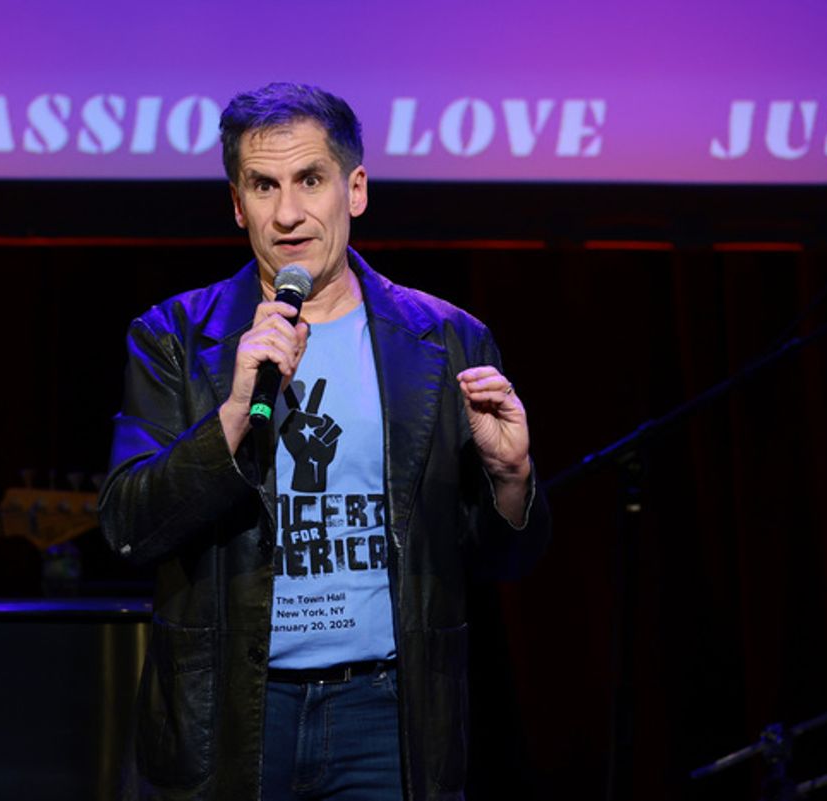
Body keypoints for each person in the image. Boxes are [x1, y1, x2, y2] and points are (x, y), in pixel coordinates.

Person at [98, 83, 551, 801]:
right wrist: (235, 413)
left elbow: (500, 562)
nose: (287, 213)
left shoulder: (445, 339)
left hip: (386, 714)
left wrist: (512, 478)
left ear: (356, 188)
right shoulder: (175, 338)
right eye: (263, 185)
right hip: (233, 713)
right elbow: (127, 525)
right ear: (236, 203)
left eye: (310, 180)